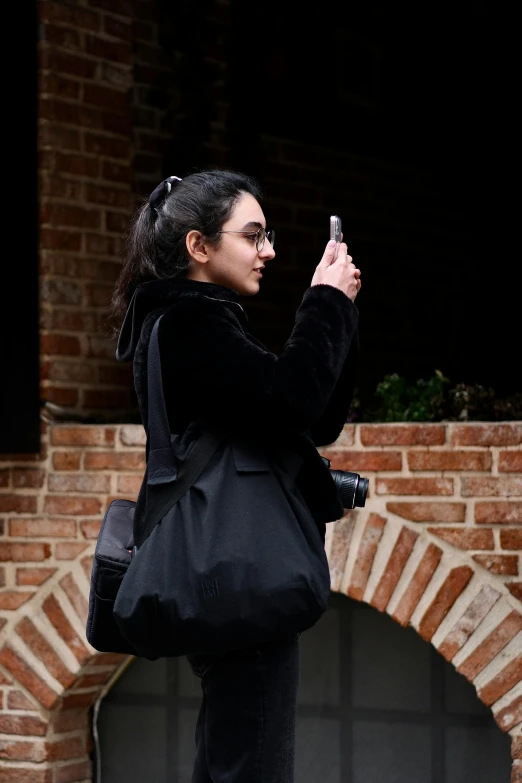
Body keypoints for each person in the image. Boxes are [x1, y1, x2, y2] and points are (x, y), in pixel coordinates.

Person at [110, 169, 361, 783]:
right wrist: (323, 302)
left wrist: (340, 312)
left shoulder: (200, 321)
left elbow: (312, 420)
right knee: (250, 761)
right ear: (199, 246)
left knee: (238, 752)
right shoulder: (193, 325)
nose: (268, 250)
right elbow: (289, 401)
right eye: (253, 236)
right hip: (236, 563)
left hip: (234, 562)